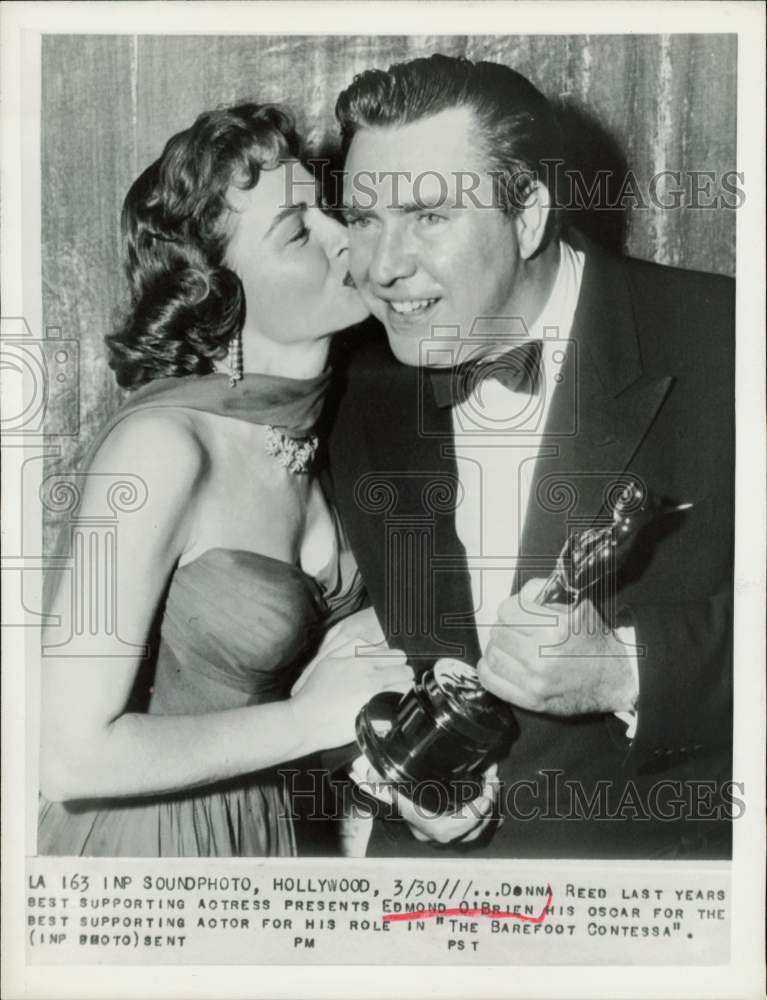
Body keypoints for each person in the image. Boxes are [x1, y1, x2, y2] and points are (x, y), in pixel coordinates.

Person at [326, 54, 735, 858]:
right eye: (364, 218)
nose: (381, 267)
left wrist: (628, 671)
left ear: (529, 214)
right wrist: (416, 783)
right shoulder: (359, 389)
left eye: (428, 216)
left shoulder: (729, 342)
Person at [37, 102, 413, 857]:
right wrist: (313, 720)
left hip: (280, 838)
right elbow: (65, 756)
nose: (347, 237)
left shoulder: (338, 425)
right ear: (219, 292)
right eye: (298, 231)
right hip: (149, 855)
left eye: (328, 209)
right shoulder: (161, 448)